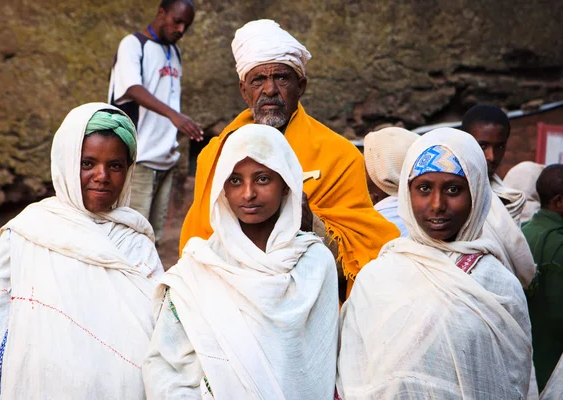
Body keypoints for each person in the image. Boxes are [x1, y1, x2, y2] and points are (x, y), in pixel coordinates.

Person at [179, 19, 399, 298]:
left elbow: (367, 255)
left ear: (301, 86)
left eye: (281, 78)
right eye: (258, 80)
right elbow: (198, 242)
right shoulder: (215, 155)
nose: (270, 90)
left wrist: (311, 225)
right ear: (244, 91)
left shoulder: (339, 155)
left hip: (312, 296)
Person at [0, 103, 164, 399]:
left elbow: (158, 325)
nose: (102, 175)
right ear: (65, 162)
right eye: (87, 163)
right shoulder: (26, 233)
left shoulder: (136, 242)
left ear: (128, 170)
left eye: (115, 165)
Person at [144, 124, 339, 399]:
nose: (248, 193)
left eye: (262, 179)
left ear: (286, 184)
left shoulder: (316, 263)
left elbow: (322, 361)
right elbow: (166, 367)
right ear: (221, 188)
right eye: (235, 180)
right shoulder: (198, 270)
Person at [337, 128, 533, 399]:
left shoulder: (499, 284)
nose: (437, 204)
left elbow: (511, 380)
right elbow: (353, 372)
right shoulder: (376, 278)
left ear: (476, 192)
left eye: (453, 189)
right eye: (424, 188)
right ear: (407, 193)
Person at [109, 0, 203, 247]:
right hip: (139, 159)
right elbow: (130, 87)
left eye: (187, 26)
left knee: (153, 239)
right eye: (177, 21)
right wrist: (175, 116)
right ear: (161, 13)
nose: (181, 30)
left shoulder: (174, 52)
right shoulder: (133, 44)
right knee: (131, 239)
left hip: (165, 158)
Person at [462, 104, 535, 288]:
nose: (492, 156)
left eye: (499, 146)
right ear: (465, 141)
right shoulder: (451, 193)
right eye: (483, 145)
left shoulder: (507, 198)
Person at [522, 164, 563, 392]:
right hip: (551, 364)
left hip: (524, 360)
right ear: (558, 202)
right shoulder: (558, 244)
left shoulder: (521, 232)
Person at [363, 127, 419, 237]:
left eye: (366, 160)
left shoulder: (381, 219)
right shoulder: (420, 209)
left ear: (379, 172)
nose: (361, 165)